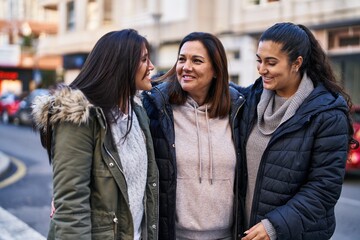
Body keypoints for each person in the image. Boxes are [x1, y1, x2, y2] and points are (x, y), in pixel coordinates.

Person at [32, 29, 159, 240]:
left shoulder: (138, 112)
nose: (152, 66)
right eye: (144, 59)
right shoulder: (80, 119)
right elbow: (72, 206)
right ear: (121, 65)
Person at [236, 22, 359, 240]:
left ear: (296, 63)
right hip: (248, 232)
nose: (262, 69)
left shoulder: (327, 114)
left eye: (271, 63)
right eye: (259, 60)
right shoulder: (251, 99)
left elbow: (323, 189)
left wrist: (274, 226)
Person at [142, 32, 245, 239]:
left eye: (196, 61)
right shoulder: (156, 108)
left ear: (216, 69)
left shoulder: (239, 109)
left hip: (228, 235)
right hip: (174, 235)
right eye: (182, 59)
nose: (186, 67)